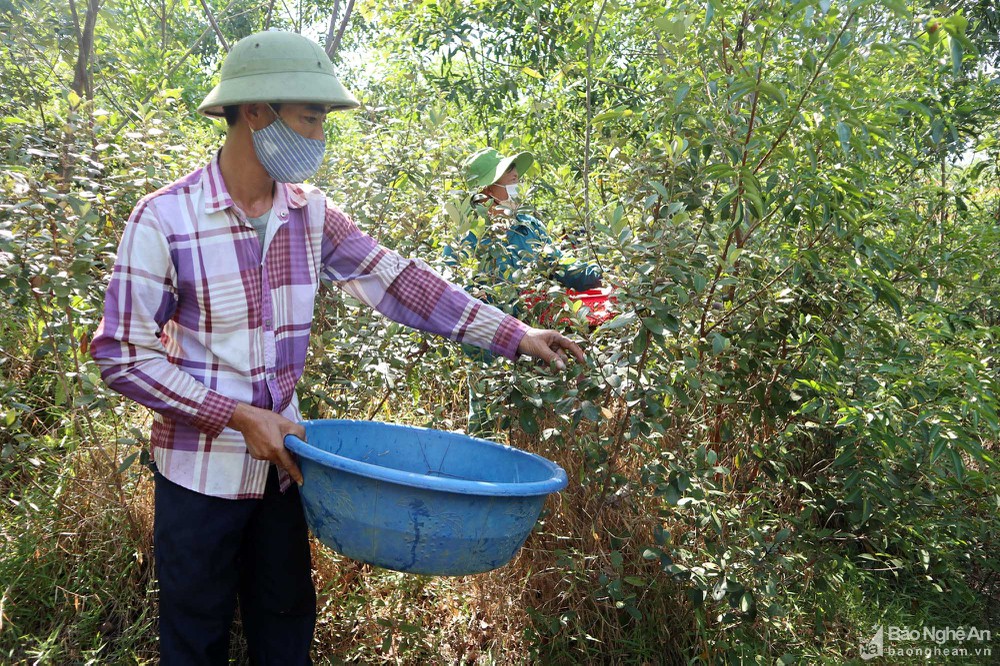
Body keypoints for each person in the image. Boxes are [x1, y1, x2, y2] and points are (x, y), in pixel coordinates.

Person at [89, 31, 583, 665]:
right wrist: (239, 416)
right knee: (194, 635)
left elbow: (398, 282)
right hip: (199, 477)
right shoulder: (166, 220)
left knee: (286, 624)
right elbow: (123, 355)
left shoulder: (310, 214)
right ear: (255, 111)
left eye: (322, 120)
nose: (319, 137)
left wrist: (514, 333)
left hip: (284, 474)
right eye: (310, 118)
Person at [444, 148, 606, 434]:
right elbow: (452, 293)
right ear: (485, 190)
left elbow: (561, 264)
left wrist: (599, 272)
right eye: (509, 176)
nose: (517, 181)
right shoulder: (466, 238)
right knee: (486, 420)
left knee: (538, 420)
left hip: (536, 339)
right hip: (488, 347)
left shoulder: (529, 227)